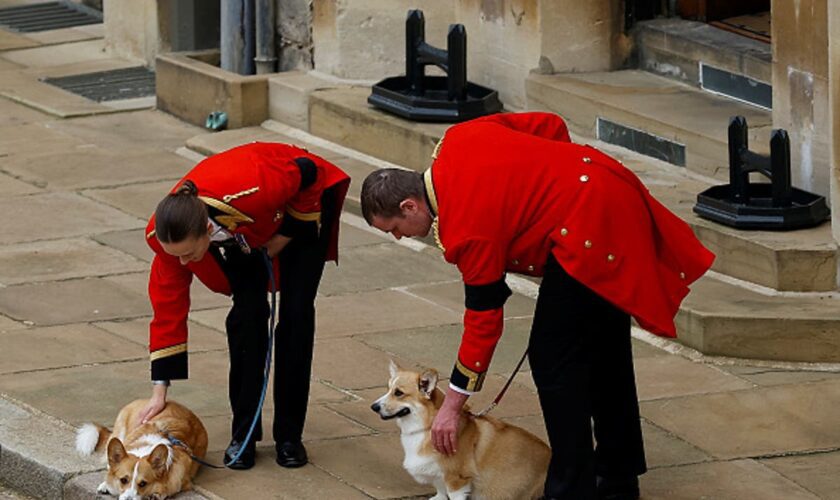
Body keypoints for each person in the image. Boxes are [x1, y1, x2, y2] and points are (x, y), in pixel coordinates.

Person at [360, 112, 714, 500]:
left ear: (410, 206)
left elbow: (483, 321)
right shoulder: (457, 138)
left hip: (588, 231)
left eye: (393, 228)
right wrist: (556, 185)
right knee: (604, 350)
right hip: (607, 186)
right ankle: (617, 476)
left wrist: (451, 406)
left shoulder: (466, 229)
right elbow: (549, 125)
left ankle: (570, 489)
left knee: (554, 362)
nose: (397, 237)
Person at [138, 142, 350, 470]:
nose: (181, 262)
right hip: (244, 234)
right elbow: (167, 310)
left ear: (207, 230)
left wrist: (285, 235)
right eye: (174, 254)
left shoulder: (256, 185)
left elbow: (310, 174)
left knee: (296, 315)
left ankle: (290, 436)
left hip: (299, 211)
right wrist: (159, 391)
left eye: (187, 253)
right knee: (247, 318)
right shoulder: (168, 237)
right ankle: (244, 435)